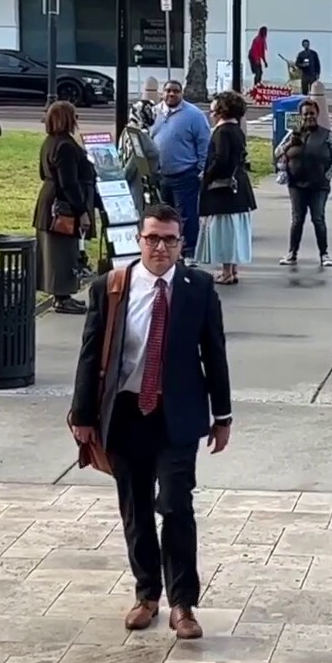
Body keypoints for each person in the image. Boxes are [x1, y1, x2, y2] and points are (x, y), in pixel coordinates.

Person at [68, 203, 233, 640]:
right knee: (136, 508)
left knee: (177, 504)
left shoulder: (197, 288)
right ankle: (147, 595)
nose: (160, 247)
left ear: (182, 243)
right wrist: (82, 415)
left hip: (176, 415)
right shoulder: (112, 287)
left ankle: (183, 604)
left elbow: (214, 354)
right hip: (125, 414)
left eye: (170, 239)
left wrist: (223, 415)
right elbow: (91, 356)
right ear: (139, 241)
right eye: (152, 238)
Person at [33, 100, 91, 315]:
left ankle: (60, 295)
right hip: (62, 204)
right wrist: (82, 210)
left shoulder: (49, 142)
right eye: (74, 116)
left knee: (53, 250)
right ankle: (62, 296)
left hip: (47, 199)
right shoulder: (66, 145)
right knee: (63, 250)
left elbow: (42, 172)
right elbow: (69, 182)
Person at [196, 91, 257, 285]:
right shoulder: (237, 130)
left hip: (223, 191)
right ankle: (233, 269)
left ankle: (226, 271)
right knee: (234, 231)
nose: (211, 113)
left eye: (213, 109)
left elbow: (221, 159)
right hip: (238, 188)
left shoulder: (221, 132)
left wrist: (207, 176)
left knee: (223, 232)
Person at [151, 80, 211, 265]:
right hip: (161, 175)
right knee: (164, 215)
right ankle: (169, 250)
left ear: (181, 93)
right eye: (168, 91)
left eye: (175, 91)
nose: (171, 94)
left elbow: (204, 143)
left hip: (186, 174)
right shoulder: (155, 113)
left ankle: (189, 252)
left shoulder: (194, 115)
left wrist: (200, 169)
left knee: (187, 215)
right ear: (162, 93)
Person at [276, 99, 332, 269]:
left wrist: (326, 177)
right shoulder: (293, 134)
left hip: (319, 186)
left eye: (312, 113)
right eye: (305, 114)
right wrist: (290, 143)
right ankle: (292, 253)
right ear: (300, 116)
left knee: (318, 218)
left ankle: (324, 254)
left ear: (317, 114)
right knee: (297, 219)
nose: (309, 117)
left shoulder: (326, 135)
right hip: (296, 185)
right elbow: (277, 152)